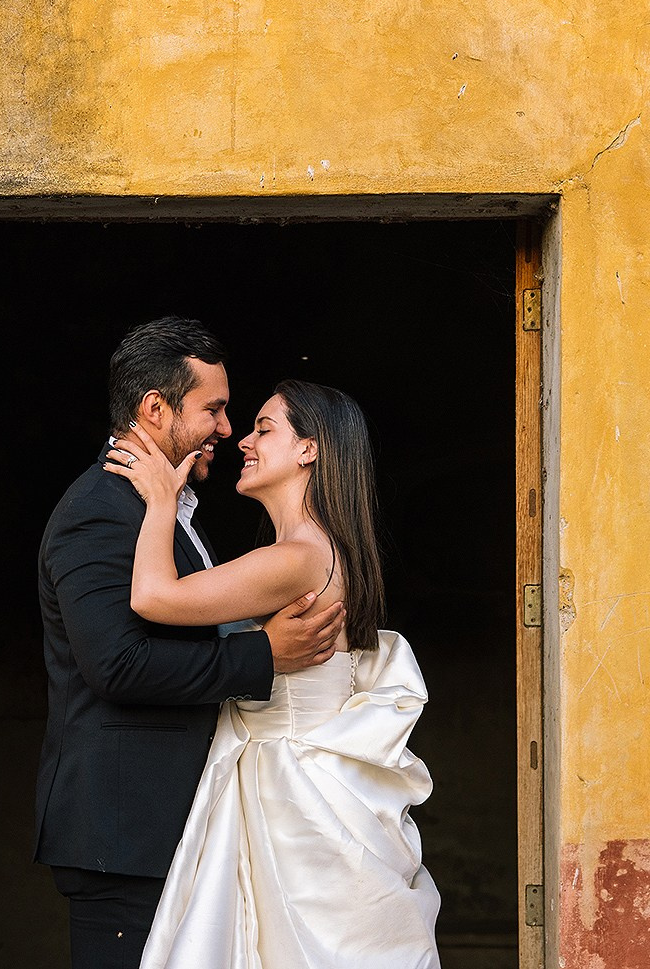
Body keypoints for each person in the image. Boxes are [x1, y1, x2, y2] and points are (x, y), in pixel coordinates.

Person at [37, 319, 349, 969]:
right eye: (213, 408)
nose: (227, 428)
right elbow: (117, 665)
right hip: (125, 833)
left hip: (169, 826)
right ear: (156, 408)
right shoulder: (100, 509)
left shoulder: (171, 509)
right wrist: (263, 653)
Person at [106, 380, 441, 969]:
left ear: (308, 450)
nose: (244, 441)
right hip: (302, 778)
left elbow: (153, 597)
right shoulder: (324, 549)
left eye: (265, 429)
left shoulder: (298, 558)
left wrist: (161, 501)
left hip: (291, 790)